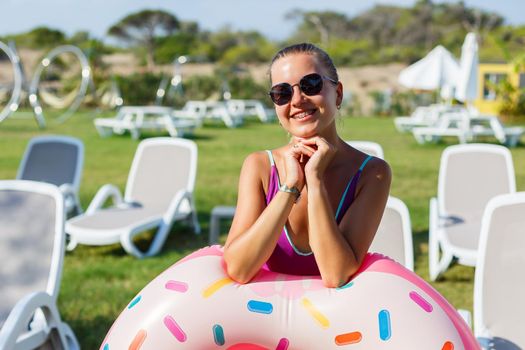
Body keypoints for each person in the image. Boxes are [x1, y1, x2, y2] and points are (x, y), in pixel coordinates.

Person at [223, 43, 391, 288]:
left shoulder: (372, 173)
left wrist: (315, 180)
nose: (298, 100)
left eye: (310, 85)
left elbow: (336, 274)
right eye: (282, 93)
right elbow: (239, 269)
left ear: (339, 94)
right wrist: (289, 187)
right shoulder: (259, 167)